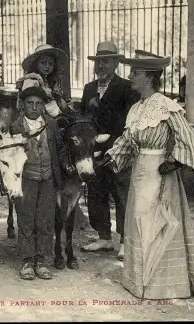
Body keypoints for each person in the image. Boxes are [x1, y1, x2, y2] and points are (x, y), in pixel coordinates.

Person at [98, 50, 194, 299]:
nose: (130, 77)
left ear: (148, 77)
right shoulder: (137, 108)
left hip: (159, 173)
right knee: (137, 219)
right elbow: (128, 140)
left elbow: (188, 135)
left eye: (135, 73)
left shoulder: (165, 105)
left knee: (155, 221)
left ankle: (160, 284)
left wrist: (175, 161)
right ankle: (139, 280)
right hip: (140, 171)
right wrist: (111, 157)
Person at [79, 41, 140, 260]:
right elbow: (84, 120)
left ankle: (125, 239)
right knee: (96, 191)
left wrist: (116, 144)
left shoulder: (127, 88)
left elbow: (131, 121)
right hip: (94, 151)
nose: (101, 66)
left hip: (119, 150)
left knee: (121, 192)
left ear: (115, 63)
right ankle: (104, 237)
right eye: (98, 62)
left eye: (106, 61)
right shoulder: (88, 89)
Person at [9, 86, 73, 280]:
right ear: (22, 105)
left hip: (48, 178)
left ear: (44, 106)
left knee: (45, 219)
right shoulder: (16, 127)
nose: (34, 107)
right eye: (30, 103)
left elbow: (60, 149)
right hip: (26, 178)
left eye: (38, 103)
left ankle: (41, 260)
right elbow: (10, 156)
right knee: (26, 219)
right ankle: (27, 261)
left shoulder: (51, 125)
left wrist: (66, 165)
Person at [19, 44, 74, 117]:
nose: (47, 66)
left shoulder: (48, 82)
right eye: (43, 63)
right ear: (36, 64)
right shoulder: (31, 81)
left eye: (50, 63)